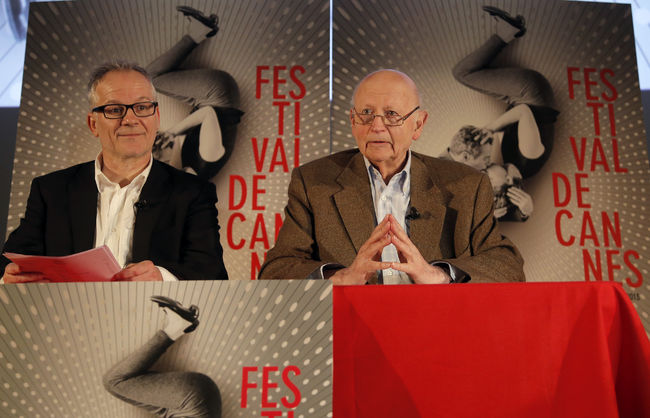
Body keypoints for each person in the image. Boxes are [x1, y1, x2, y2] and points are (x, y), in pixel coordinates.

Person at [258, 69, 524, 284]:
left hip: (434, 327)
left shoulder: (467, 184)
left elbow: (507, 265)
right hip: (351, 327)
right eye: (366, 113)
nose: (376, 126)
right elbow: (276, 270)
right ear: (353, 121)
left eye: (391, 115)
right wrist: (341, 278)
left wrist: (440, 275)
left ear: (418, 124)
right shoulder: (313, 182)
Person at [1, 62, 227, 282]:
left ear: (156, 118)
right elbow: (10, 262)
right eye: (114, 110)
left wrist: (162, 277)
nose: (130, 120)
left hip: (150, 308)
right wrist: (9, 276)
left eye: (142, 107)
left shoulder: (193, 192)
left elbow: (212, 272)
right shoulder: (51, 191)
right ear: (93, 124)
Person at [449, 5, 559, 179]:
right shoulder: (527, 160)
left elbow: (450, 154)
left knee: (464, 74)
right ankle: (507, 30)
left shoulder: (509, 160)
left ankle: (508, 31)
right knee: (462, 73)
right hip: (531, 93)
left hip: (522, 98)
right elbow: (523, 112)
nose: (483, 171)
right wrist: (490, 128)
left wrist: (478, 140)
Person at [150, 5, 243, 180]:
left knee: (152, 79)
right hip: (219, 94)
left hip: (206, 99)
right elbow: (207, 113)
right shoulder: (207, 160)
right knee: (151, 78)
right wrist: (173, 132)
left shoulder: (188, 164)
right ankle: (199, 31)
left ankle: (200, 31)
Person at [103, 295, 221, 417]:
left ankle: (179, 327)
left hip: (199, 400)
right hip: (192, 401)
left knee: (117, 390)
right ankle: (177, 326)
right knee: (113, 382)